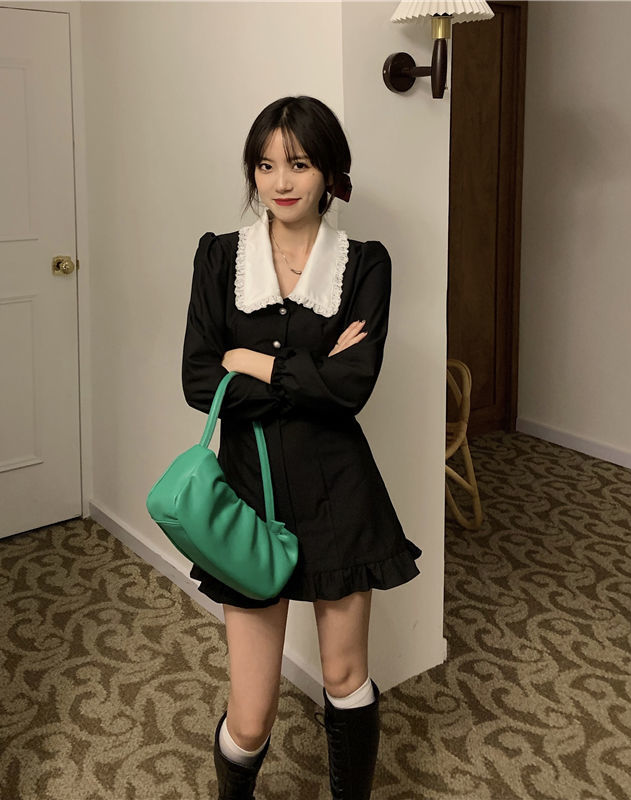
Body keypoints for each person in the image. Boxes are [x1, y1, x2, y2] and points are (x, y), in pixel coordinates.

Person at [181, 96, 422, 800]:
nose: (281, 182)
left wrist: (250, 361)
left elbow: (353, 388)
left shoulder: (364, 265)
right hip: (247, 491)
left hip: (338, 491)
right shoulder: (220, 257)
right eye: (265, 166)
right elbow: (199, 379)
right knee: (251, 715)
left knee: (345, 677)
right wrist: (312, 375)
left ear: (330, 172)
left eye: (299, 163)